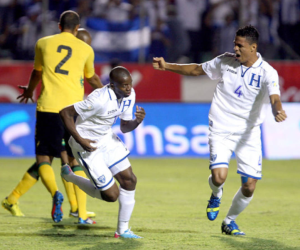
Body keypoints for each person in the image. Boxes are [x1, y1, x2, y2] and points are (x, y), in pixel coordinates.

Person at [152, 25, 287, 236]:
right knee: (219, 177)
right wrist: (166, 65)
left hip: (248, 133)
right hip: (221, 127)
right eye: (234, 43)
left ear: (253, 47)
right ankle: (216, 193)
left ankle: (230, 221)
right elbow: (196, 69)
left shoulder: (267, 72)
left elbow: (275, 97)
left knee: (250, 186)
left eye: (240, 45)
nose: (235, 48)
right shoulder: (225, 61)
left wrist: (277, 110)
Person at [2, 11, 102, 224]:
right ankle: (80, 212)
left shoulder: (43, 43)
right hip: (73, 111)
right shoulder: (85, 49)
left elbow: (37, 72)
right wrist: (108, 94)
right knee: (74, 160)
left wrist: (29, 91)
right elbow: (91, 77)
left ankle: (60, 199)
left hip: (48, 107)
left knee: (44, 157)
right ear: (77, 29)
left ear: (58, 25)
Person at [59, 66, 145, 238]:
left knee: (130, 180)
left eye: (130, 84)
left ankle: (122, 230)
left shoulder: (130, 94)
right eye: (123, 85)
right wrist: (80, 140)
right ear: (112, 85)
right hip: (86, 143)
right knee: (111, 196)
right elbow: (65, 113)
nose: (128, 88)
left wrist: (137, 121)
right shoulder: (98, 99)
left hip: (106, 138)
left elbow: (125, 127)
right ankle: (70, 176)